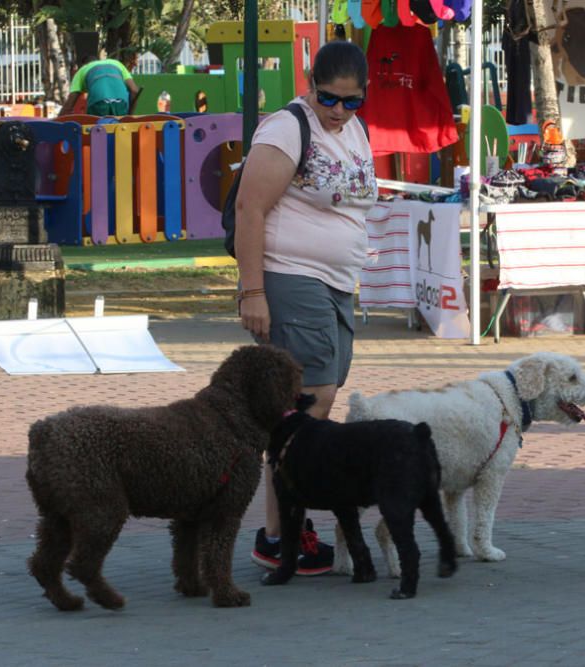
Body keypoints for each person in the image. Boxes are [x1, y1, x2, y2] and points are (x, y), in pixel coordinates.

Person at [233, 40, 377, 576]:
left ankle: (286, 525)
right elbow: (250, 208)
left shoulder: (352, 129)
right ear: (309, 84)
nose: (338, 111)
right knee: (304, 408)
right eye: (329, 98)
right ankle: (278, 533)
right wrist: (253, 292)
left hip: (337, 281)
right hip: (291, 276)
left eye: (352, 102)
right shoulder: (286, 128)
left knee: (321, 397)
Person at [58, 54, 140, 117]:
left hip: (98, 103)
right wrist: (129, 115)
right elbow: (134, 90)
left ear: (83, 65)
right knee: (120, 133)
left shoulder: (82, 70)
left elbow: (69, 105)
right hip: (120, 103)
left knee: (96, 134)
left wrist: (56, 122)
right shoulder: (117, 64)